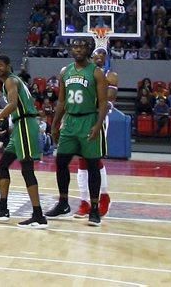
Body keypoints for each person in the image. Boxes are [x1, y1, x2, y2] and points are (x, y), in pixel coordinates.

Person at [46, 38, 108, 226]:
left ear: (88, 49)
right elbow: (62, 102)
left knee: (92, 164)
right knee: (61, 161)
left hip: (88, 119)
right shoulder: (65, 71)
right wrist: (55, 124)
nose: (78, 49)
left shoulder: (96, 73)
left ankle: (95, 209)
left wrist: (98, 125)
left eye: (82, 46)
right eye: (75, 46)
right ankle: (63, 203)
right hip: (70, 122)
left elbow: (104, 102)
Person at [0, 55, 47, 228]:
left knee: (27, 169)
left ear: (9, 66)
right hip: (20, 126)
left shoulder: (11, 81)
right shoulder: (11, 81)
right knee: (3, 164)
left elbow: (12, 105)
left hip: (26, 123)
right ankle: (2, 208)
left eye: (1, 65)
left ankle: (38, 215)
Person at [74, 47, 117, 218]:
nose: (100, 56)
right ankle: (84, 201)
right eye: (97, 54)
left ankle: (104, 196)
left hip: (98, 118)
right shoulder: (84, 73)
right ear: (91, 57)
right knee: (81, 160)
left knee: (93, 158)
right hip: (80, 118)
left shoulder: (110, 75)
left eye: (103, 54)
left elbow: (109, 99)